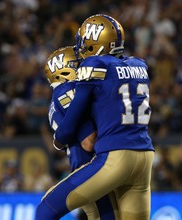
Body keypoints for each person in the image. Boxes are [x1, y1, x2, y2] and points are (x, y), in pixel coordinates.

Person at [37, 14, 154, 219]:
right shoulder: (139, 65)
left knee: (46, 208)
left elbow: (69, 127)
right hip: (145, 156)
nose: (81, 49)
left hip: (115, 156)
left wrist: (57, 141)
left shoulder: (94, 65)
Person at [38, 46, 118, 219]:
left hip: (84, 169)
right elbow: (88, 141)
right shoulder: (68, 91)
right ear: (66, 69)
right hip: (91, 168)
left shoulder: (55, 99)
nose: (83, 67)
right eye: (78, 64)